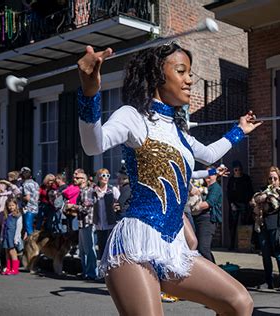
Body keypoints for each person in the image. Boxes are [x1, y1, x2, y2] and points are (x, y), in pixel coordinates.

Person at [76, 42, 260, 314]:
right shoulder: (132, 117)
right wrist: (89, 92)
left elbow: (209, 154)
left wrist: (239, 131)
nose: (190, 80)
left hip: (173, 247)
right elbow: (94, 144)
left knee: (239, 302)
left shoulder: (179, 132)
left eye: (190, 73)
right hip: (135, 244)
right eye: (182, 71)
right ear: (156, 76)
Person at [252, 166, 280, 293]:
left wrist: (269, 197)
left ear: (279, 179)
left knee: (279, 254)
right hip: (263, 225)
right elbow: (253, 201)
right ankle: (268, 281)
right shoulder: (263, 190)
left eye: (275, 178)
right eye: (270, 178)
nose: (272, 181)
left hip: (278, 225)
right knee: (266, 255)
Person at [192, 166, 223, 263]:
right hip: (198, 218)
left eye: (211, 173)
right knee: (197, 248)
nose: (208, 176)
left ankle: (216, 273)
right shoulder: (203, 187)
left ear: (216, 175)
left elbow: (208, 203)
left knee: (203, 248)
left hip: (207, 219)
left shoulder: (216, 188)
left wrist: (192, 208)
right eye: (207, 174)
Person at [92, 168, 120, 260]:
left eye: (108, 176)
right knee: (101, 249)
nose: (106, 178)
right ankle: (102, 271)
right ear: (98, 177)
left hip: (110, 223)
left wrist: (116, 206)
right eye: (103, 175)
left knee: (110, 249)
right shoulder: (93, 190)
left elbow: (120, 202)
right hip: (99, 224)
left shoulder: (113, 189)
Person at [226, 160, 254, 250]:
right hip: (234, 203)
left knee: (244, 223)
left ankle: (244, 245)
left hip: (244, 204)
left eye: (239, 169)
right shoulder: (232, 180)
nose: (237, 171)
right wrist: (231, 204)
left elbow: (250, 191)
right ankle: (232, 245)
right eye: (236, 170)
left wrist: (249, 202)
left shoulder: (246, 178)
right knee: (232, 224)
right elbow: (228, 193)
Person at [76, 171, 98, 280]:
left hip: (87, 222)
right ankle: (86, 272)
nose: (75, 179)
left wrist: (74, 207)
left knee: (89, 249)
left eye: (78, 177)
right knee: (82, 250)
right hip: (81, 222)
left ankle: (92, 273)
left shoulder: (88, 191)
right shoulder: (81, 191)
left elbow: (86, 208)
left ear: (84, 180)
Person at [0, 197, 23, 275]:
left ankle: (15, 269)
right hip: (6, 236)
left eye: (13, 205)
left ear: (16, 205)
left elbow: (19, 227)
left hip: (12, 237)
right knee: (7, 252)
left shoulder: (18, 215)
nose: (11, 207)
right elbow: (3, 227)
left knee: (12, 252)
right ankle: (8, 268)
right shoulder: (6, 215)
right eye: (9, 205)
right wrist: (1, 237)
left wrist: (16, 238)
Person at [20, 167, 39, 237]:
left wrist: (20, 197)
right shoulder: (35, 183)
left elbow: (27, 198)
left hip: (29, 208)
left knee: (28, 227)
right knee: (31, 226)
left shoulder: (26, 184)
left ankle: (31, 244)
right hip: (35, 207)